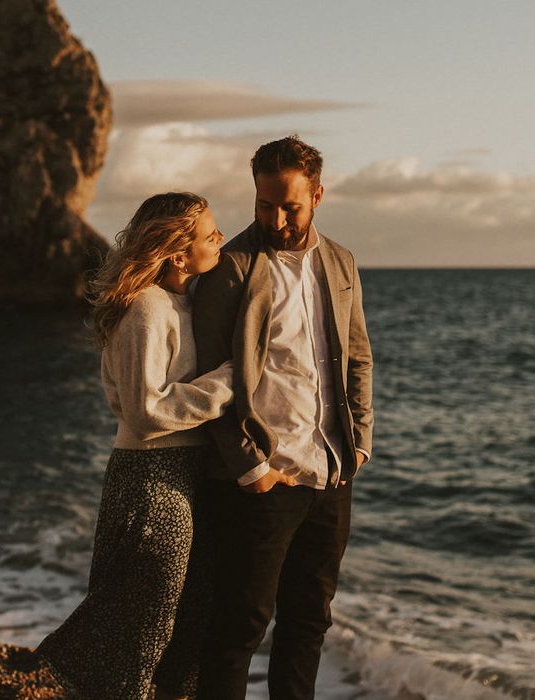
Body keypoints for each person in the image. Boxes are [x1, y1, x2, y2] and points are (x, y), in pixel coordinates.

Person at [193, 136, 374, 700]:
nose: (275, 217)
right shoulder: (230, 267)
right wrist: (253, 468)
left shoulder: (340, 262)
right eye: (264, 204)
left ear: (317, 195)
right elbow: (209, 379)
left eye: (289, 206)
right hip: (261, 482)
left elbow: (359, 355)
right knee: (239, 626)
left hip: (330, 473)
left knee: (309, 622)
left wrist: (360, 443)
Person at [36, 192, 232, 700]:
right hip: (151, 476)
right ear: (178, 253)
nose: (221, 239)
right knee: (143, 625)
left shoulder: (184, 302)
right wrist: (230, 382)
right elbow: (145, 414)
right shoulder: (146, 306)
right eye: (210, 234)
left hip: (184, 472)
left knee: (183, 615)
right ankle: (54, 670)